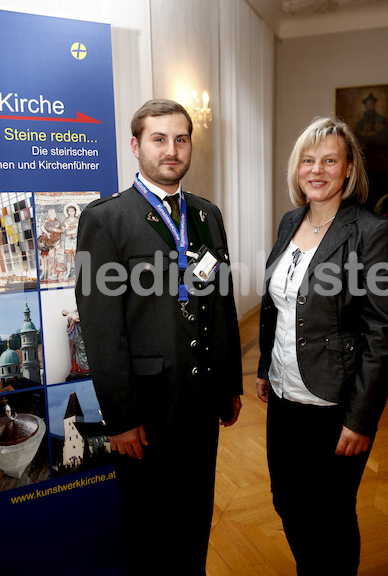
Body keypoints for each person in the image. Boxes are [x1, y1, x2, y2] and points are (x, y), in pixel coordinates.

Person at [75, 99, 243, 576]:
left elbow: (222, 302)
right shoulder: (106, 220)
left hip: (201, 404)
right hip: (146, 412)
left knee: (195, 520)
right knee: (150, 531)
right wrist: (122, 418)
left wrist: (229, 381)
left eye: (181, 139)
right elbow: (101, 329)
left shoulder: (207, 215)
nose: (172, 150)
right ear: (136, 145)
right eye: (159, 138)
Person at [256, 116, 388, 576]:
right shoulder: (290, 221)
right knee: (286, 500)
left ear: (349, 170)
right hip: (284, 394)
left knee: (331, 514)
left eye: (329, 160)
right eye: (307, 161)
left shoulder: (370, 233)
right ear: (297, 170)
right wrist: (262, 368)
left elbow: (381, 333)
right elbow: (278, 299)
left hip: (335, 401)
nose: (317, 170)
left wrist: (361, 417)